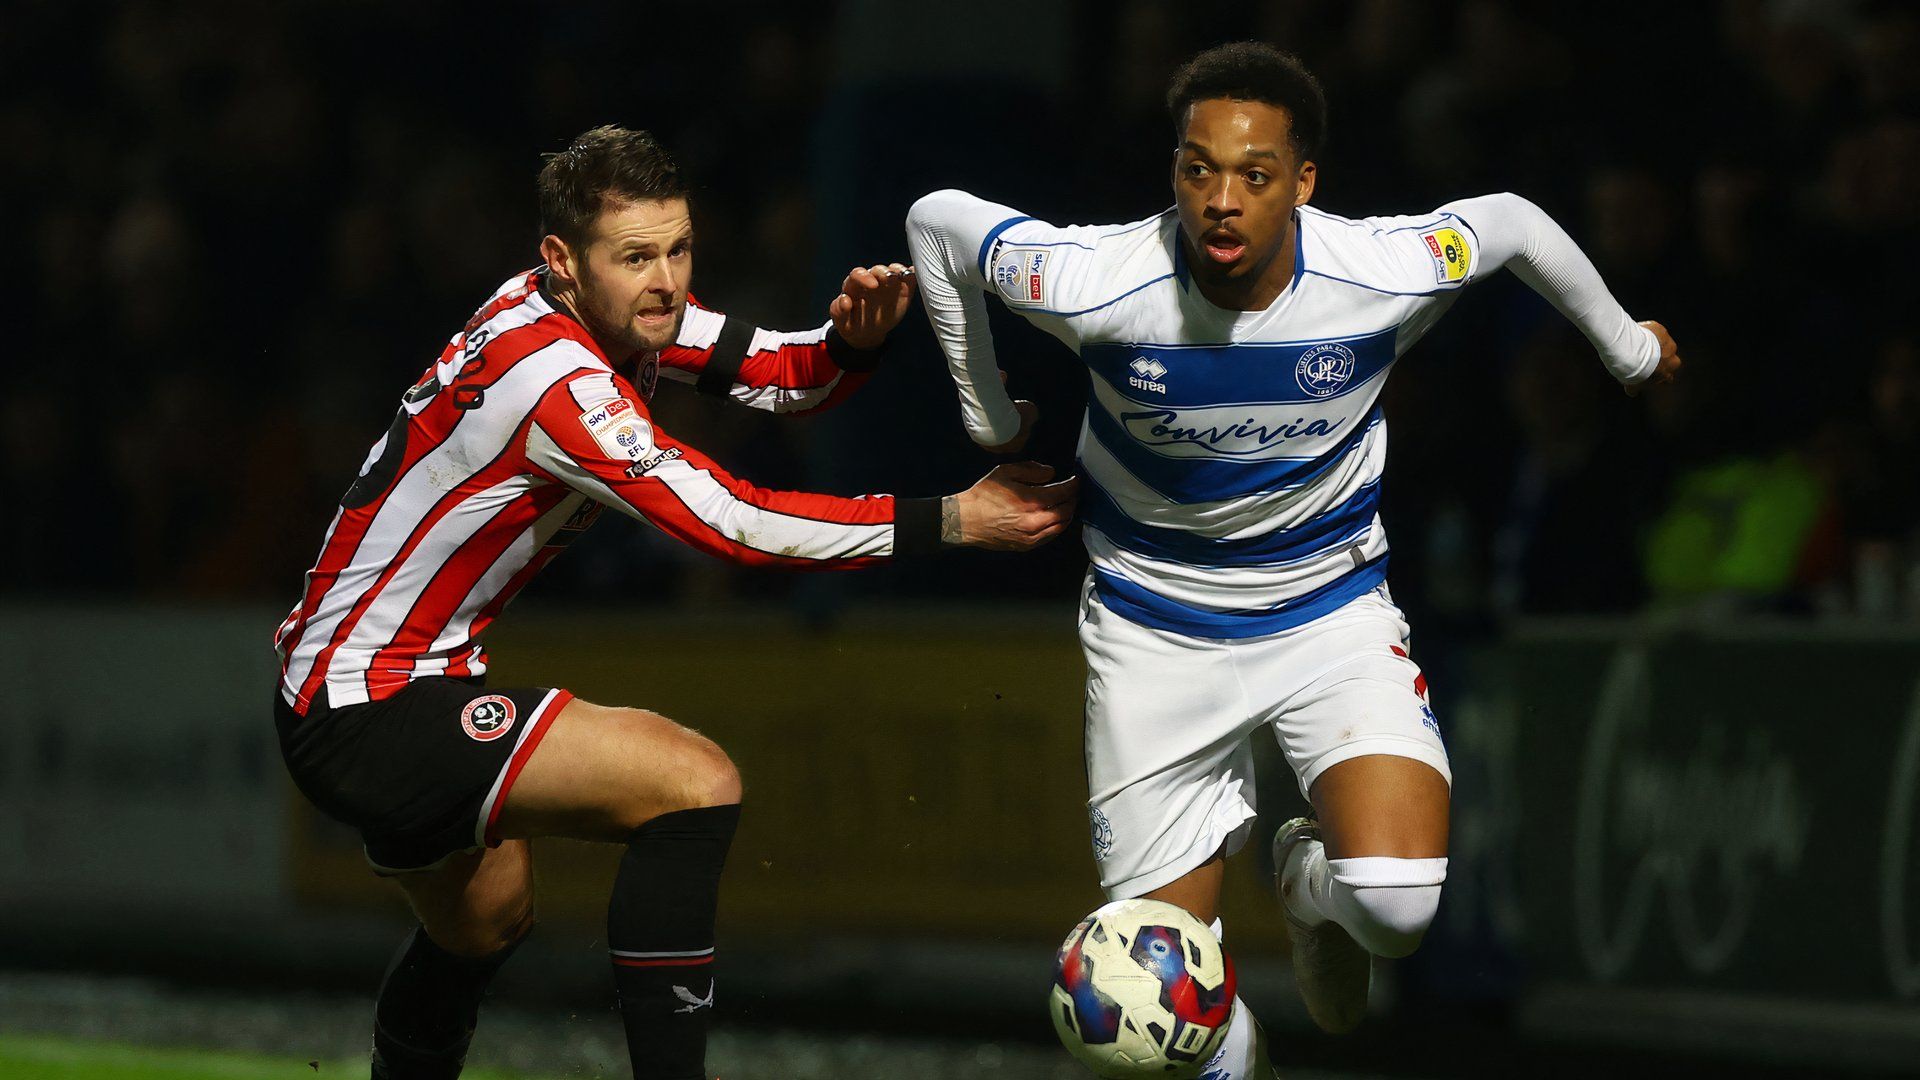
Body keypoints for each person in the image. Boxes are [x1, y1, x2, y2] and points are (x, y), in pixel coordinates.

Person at [905, 43, 1680, 1076]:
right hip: (1153, 634)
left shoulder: (1377, 273)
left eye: (1255, 175)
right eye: (1197, 170)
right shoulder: (1098, 283)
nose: (1221, 201)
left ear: (1303, 183)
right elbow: (936, 219)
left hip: (1329, 616)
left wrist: (1624, 346)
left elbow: (1508, 221)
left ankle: (1309, 883)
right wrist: (986, 411)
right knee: (1163, 1011)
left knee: (1397, 909)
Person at [271, 124, 1077, 1080]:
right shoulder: (558, 379)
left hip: (356, 686)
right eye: (638, 257)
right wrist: (952, 520)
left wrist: (848, 346)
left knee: (487, 922)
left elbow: (778, 373)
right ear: (562, 261)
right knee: (693, 784)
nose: (666, 281)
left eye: (679, 248)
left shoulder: (593, 313)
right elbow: (730, 524)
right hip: (369, 701)